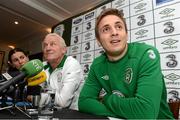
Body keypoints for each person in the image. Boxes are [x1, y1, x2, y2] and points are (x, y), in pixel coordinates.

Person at [78, 8, 173, 119]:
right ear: (98, 41)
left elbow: (145, 113)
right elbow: (84, 102)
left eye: (119, 27)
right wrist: (125, 113)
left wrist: (107, 99)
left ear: (126, 34)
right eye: (106, 29)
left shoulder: (146, 54)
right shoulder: (97, 64)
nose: (114, 32)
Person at [40, 33, 84, 110]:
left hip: (72, 114)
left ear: (63, 49)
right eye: (45, 45)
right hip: (48, 112)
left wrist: (40, 96)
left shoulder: (72, 64)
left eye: (52, 44)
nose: (48, 48)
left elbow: (63, 102)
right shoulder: (41, 66)